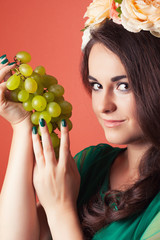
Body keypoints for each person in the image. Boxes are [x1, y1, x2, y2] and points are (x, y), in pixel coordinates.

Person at [0, 0, 160, 239]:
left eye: (123, 86)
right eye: (96, 85)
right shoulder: (92, 163)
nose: (103, 106)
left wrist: (60, 210)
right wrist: (22, 125)